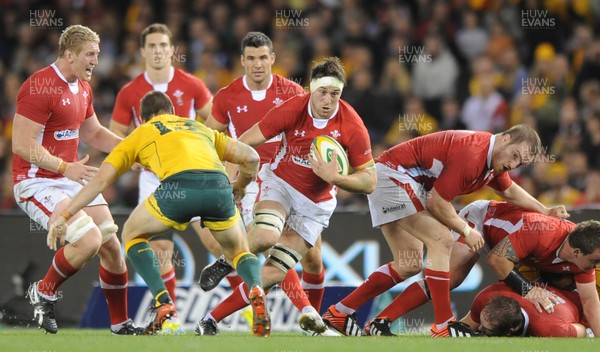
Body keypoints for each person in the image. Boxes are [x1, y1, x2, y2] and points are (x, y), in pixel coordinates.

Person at [47, 91, 269, 336]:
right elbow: (251, 156)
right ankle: (256, 288)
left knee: (132, 234)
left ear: (143, 119)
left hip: (177, 189)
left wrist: (66, 214)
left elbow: (99, 182)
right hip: (218, 187)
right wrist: (241, 186)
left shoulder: (140, 133)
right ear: (173, 111)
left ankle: (164, 301)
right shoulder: (198, 127)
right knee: (239, 251)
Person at [322, 124, 570, 337]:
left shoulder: (492, 160)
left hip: (400, 180)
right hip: (395, 177)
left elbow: (509, 191)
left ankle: (339, 312)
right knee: (441, 239)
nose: (513, 165)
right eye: (514, 155)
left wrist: (544, 210)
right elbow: (437, 203)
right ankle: (443, 323)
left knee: (408, 263)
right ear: (505, 138)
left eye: (520, 163)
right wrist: (465, 230)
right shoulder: (474, 154)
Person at [197, 56, 376, 335]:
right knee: (267, 236)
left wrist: (336, 178)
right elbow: (245, 141)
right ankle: (226, 262)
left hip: (315, 206)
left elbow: (369, 181)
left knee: (274, 271)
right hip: (279, 183)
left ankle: (209, 319)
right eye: (323, 92)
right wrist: (229, 177)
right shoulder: (293, 108)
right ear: (310, 89)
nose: (328, 100)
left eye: (335, 94)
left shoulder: (352, 125)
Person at [197, 32, 328, 336]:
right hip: (252, 183)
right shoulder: (228, 96)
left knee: (314, 258)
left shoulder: (293, 92)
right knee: (274, 247)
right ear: (242, 61)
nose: (257, 64)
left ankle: (226, 264)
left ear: (272, 59)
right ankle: (312, 319)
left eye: (263, 58)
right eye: (251, 58)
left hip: (292, 178)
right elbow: (209, 140)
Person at [12, 25, 139, 335]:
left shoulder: (82, 87)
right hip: (37, 182)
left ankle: (121, 324)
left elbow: (92, 132)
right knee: (89, 241)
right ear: (69, 54)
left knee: (111, 245)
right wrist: (65, 167)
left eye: (97, 54)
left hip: (69, 178)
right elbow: (21, 144)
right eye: (90, 54)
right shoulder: (39, 85)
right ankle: (43, 292)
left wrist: (133, 151)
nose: (96, 60)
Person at [363, 200, 600, 336]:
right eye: (595, 261)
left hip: (511, 244)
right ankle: (380, 321)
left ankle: (460, 327)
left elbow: (590, 301)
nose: (596, 266)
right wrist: (529, 290)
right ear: (577, 253)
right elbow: (497, 260)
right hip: (481, 222)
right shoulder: (541, 233)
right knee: (450, 278)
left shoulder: (582, 253)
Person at [109, 23, 222, 306]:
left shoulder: (192, 85)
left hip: (193, 173)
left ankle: (245, 308)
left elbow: (217, 121)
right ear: (142, 51)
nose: (158, 51)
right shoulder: (129, 92)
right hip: (154, 179)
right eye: (152, 46)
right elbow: (115, 135)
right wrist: (132, 157)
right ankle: (168, 314)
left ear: (172, 50)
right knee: (160, 249)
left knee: (215, 243)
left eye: (163, 46)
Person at [460, 282, 591, 337]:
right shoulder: (486, 297)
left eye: (487, 329)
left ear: (512, 330)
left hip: (585, 309)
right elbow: (464, 327)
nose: (480, 329)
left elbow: (583, 331)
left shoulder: (553, 329)